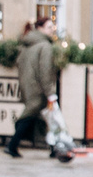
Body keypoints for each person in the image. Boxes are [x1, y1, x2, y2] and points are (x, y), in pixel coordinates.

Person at [6, 17, 65, 161]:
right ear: (40, 28)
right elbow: (45, 71)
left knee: (45, 118)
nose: (52, 30)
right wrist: (50, 92)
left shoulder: (28, 44)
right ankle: (12, 145)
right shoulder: (45, 46)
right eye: (49, 27)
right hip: (38, 88)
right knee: (35, 115)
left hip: (28, 85)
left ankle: (53, 149)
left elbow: (19, 63)